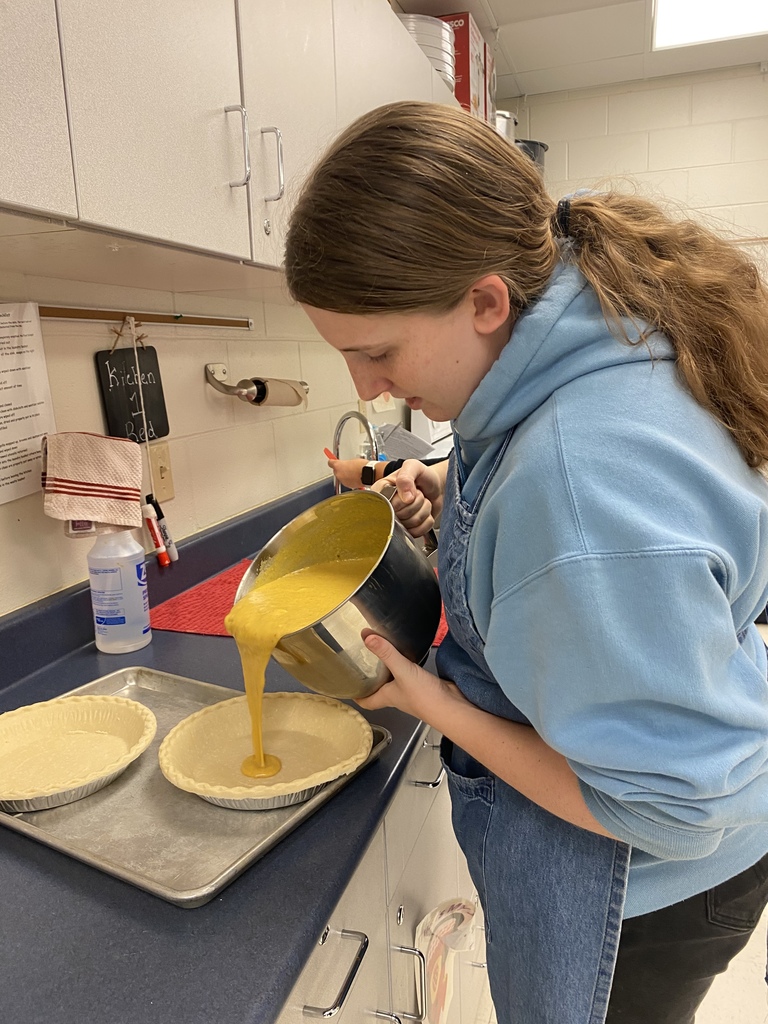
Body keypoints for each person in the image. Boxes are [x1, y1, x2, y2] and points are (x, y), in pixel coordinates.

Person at [285, 100, 768, 1024]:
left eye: (377, 351)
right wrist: (450, 484)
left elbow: (667, 809)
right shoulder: (582, 327)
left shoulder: (579, 490)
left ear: (485, 302)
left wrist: (427, 700)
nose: (369, 387)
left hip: (641, 892)